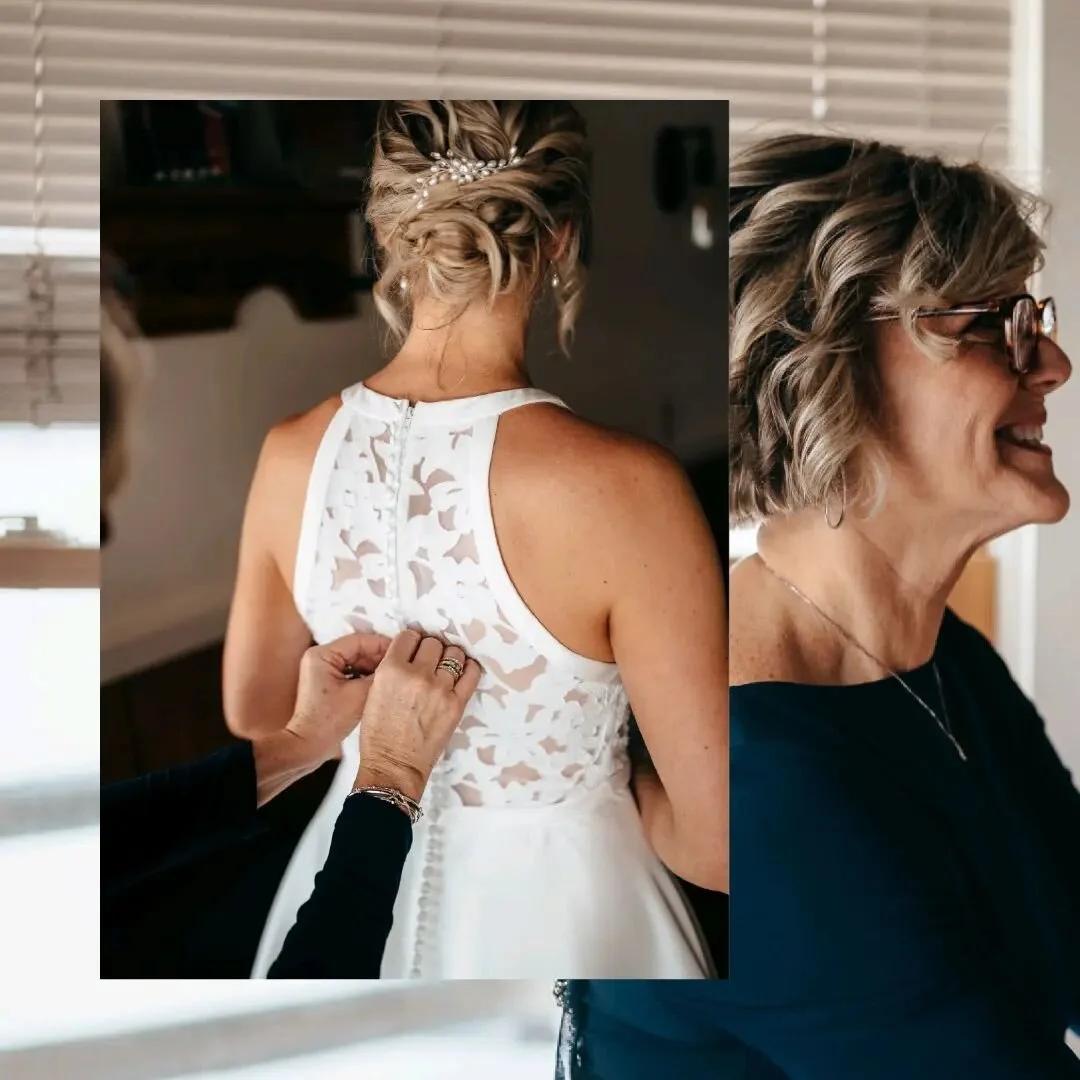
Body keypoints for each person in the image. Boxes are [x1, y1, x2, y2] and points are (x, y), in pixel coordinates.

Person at [559, 134, 1080, 1077]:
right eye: (989, 323)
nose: (1052, 363)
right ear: (820, 367)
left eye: (1032, 316)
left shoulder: (934, 658)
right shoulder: (762, 789)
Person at [224, 100, 729, 980]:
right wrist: (587, 784)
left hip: (344, 882)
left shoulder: (289, 453)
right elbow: (718, 844)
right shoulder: (629, 489)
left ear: (390, 235)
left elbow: (258, 715)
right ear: (561, 241)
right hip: (569, 904)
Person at [100, 278, 481, 978]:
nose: (105, 531)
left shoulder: (290, 450)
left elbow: (101, 836)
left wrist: (301, 741)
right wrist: (390, 777)